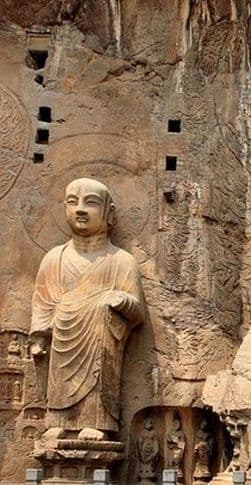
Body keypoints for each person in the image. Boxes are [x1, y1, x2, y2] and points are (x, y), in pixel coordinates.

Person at [29, 178, 144, 441]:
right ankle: (57, 420)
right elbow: (42, 303)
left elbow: (138, 313)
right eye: (73, 202)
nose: (80, 209)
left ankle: (97, 422)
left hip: (101, 344)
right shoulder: (54, 258)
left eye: (90, 203)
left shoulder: (121, 261)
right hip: (62, 341)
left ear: (109, 213)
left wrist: (120, 301)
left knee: (101, 330)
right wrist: (38, 335)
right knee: (58, 377)